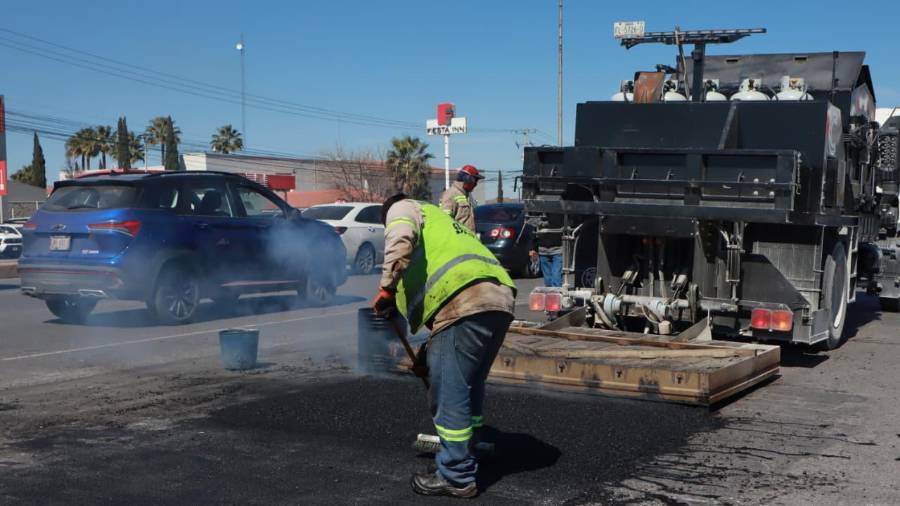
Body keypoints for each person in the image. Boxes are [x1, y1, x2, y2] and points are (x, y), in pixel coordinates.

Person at [372, 193, 516, 498]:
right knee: (469, 384)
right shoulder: (443, 220)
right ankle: (470, 448)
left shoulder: (403, 207)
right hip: (498, 298)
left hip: (465, 299)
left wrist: (386, 289)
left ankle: (456, 475)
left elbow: (400, 239)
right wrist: (428, 352)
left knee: (449, 394)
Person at [439, 165, 484, 232]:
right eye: (475, 180)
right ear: (468, 179)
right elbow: (445, 221)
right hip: (457, 240)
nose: (475, 184)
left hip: (468, 239)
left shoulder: (466, 195)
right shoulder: (451, 194)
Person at [529, 213, 563, 287]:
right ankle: (551, 294)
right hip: (543, 250)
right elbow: (533, 233)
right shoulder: (538, 215)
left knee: (556, 278)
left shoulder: (559, 214)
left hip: (557, 250)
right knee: (548, 281)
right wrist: (532, 248)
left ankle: (556, 295)